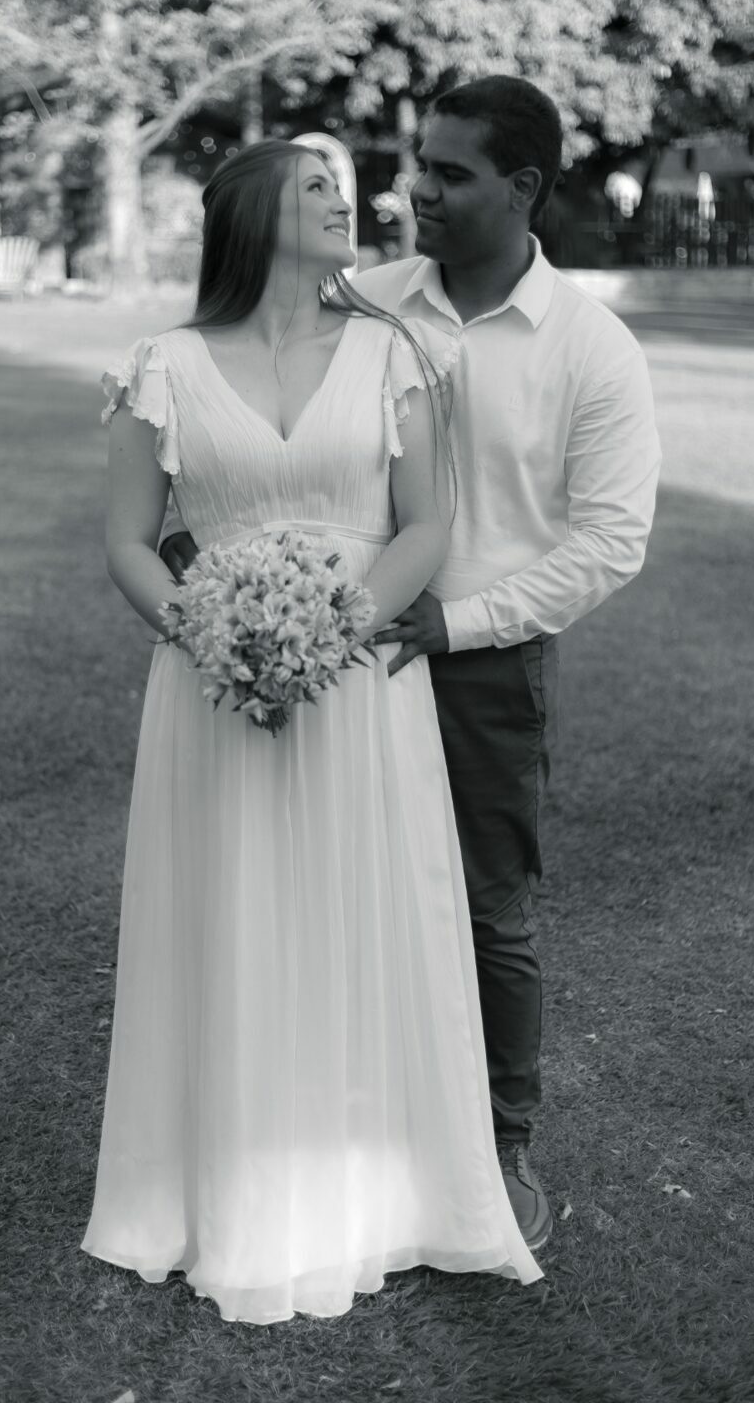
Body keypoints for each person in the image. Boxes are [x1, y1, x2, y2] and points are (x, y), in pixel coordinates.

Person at [162, 79, 662, 1251]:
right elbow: (248, 403)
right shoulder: (366, 299)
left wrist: (458, 621)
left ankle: (500, 1146)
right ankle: (341, 1131)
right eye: (416, 165)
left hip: (482, 666)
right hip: (335, 655)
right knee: (330, 887)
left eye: (447, 173)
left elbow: (610, 540)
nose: (414, 190)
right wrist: (216, 557)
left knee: (482, 909)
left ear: (522, 188)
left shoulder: (590, 348)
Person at [81, 139, 543, 1325]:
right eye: (318, 188)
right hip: (212, 683)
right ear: (253, 214)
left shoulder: (392, 356)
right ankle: (218, 1188)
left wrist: (334, 628)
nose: (350, 202)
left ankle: (380, 1192)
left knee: (366, 907)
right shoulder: (161, 367)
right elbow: (130, 539)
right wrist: (208, 633)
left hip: (360, 678)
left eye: (345, 188)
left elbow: (425, 524)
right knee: (227, 908)